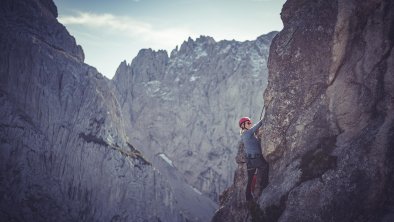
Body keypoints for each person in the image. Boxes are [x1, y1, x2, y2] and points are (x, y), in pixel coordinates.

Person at [239, 117, 269, 202]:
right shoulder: (249, 133)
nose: (250, 124)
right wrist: (267, 114)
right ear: (243, 125)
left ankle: (248, 197)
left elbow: (252, 141)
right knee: (265, 167)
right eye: (248, 123)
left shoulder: (243, 135)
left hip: (250, 160)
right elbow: (259, 124)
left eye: (250, 123)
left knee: (250, 178)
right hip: (256, 158)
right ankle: (264, 186)